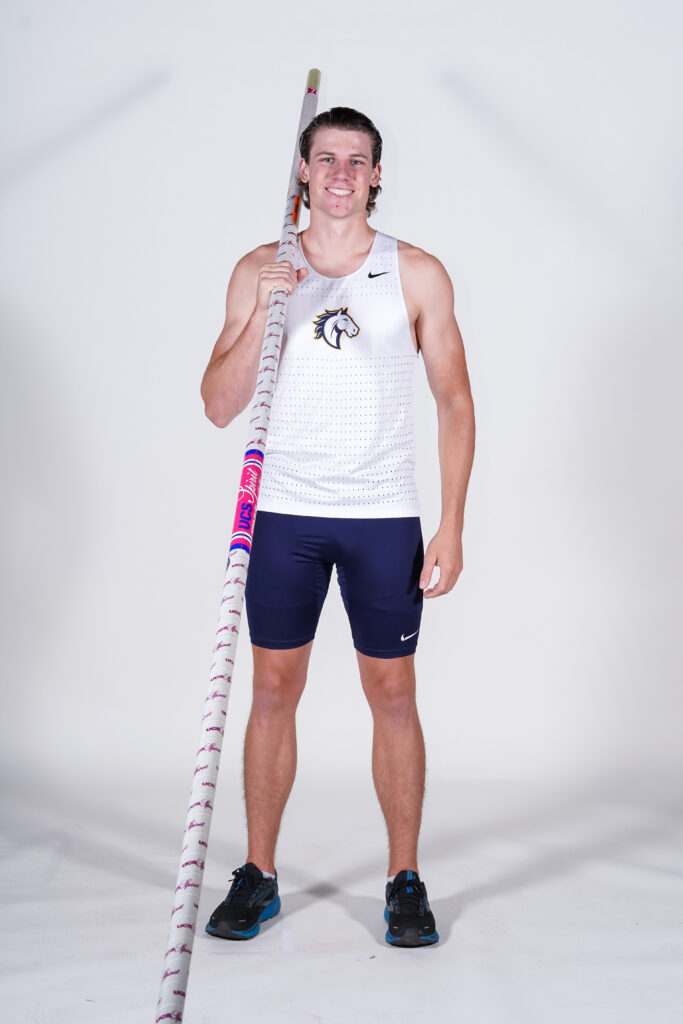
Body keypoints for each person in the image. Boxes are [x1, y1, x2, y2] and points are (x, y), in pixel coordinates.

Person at [200, 107, 475, 948]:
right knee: (272, 690)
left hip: (381, 515)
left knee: (391, 694)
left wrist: (452, 523)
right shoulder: (260, 268)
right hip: (284, 512)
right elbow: (218, 405)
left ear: (376, 175)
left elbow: (454, 400)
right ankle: (259, 874)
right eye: (326, 159)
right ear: (304, 172)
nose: (342, 174)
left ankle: (403, 880)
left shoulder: (415, 272)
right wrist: (263, 309)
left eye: (357, 161)